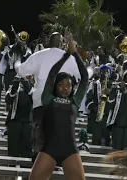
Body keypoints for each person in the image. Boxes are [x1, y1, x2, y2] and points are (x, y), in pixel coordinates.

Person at [29, 34, 88, 180]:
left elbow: (85, 77)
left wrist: (75, 53)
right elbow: (51, 75)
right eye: (61, 85)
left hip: (70, 150)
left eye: (68, 85)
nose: (64, 88)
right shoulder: (48, 99)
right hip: (49, 149)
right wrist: (65, 56)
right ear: (55, 87)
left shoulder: (75, 101)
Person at [14, 32, 81, 154]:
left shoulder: (39, 55)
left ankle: (38, 160)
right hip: (62, 104)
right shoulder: (70, 58)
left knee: (39, 132)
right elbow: (82, 75)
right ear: (61, 43)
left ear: (49, 42)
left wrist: (17, 65)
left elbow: (22, 71)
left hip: (41, 102)